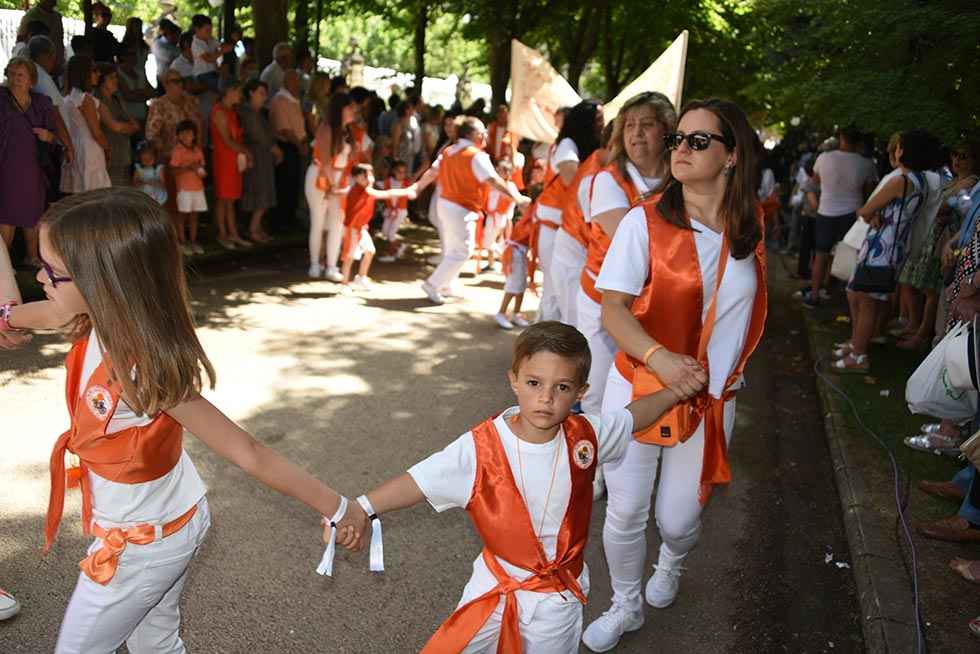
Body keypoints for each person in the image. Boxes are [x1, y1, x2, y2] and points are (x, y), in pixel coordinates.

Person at [0, 188, 364, 653]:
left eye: (52, 270)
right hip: (164, 523)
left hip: (140, 546)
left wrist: (338, 506)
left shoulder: (140, 367)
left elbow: (248, 452)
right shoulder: (97, 313)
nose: (39, 276)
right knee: (156, 644)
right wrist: (7, 317)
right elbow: (51, 312)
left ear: (101, 283)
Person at [348, 321, 702, 653]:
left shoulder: (587, 436)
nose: (546, 398)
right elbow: (419, 481)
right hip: (492, 584)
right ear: (514, 380)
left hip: (556, 598)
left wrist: (675, 391)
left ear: (581, 392)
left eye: (562, 387)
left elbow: (633, 416)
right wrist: (362, 507)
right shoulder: (480, 448)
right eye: (534, 383)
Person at [582, 99, 768, 651]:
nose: (681, 148)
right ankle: (624, 603)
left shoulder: (750, 226)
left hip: (711, 399)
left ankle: (671, 561)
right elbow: (612, 308)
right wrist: (660, 358)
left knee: (680, 520)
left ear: (732, 156)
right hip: (641, 385)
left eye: (698, 141)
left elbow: (744, 312)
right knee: (625, 511)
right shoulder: (644, 221)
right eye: (678, 139)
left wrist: (728, 369)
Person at [575, 92, 675, 414]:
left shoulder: (680, 179)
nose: (636, 133)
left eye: (647, 124)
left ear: (667, 131)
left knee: (642, 391)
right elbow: (635, 245)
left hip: (653, 304)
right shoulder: (609, 179)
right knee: (598, 390)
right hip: (601, 301)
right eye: (629, 125)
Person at [832, 130, 940, 373]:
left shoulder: (899, 181)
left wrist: (871, 214)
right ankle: (857, 346)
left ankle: (859, 355)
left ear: (905, 151)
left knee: (866, 302)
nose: (896, 150)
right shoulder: (921, 182)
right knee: (864, 298)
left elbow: (864, 210)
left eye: (899, 146)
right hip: (894, 248)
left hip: (879, 249)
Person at [413, 117, 531, 305]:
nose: (485, 135)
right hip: (461, 208)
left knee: (452, 249)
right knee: (462, 251)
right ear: (472, 134)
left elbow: (432, 172)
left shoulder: (449, 151)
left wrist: (418, 187)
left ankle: (446, 286)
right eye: (482, 131)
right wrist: (517, 198)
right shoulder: (476, 155)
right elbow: (494, 180)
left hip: (445, 205)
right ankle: (433, 284)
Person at [539, 101, 603, 322]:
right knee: (553, 293)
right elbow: (573, 181)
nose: (601, 123)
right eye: (597, 119)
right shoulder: (567, 145)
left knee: (558, 294)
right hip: (557, 228)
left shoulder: (583, 146)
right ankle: (545, 338)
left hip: (570, 230)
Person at [802, 127, 878, 308]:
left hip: (826, 211)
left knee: (821, 255)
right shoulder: (867, 163)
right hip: (853, 213)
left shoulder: (823, 158)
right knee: (849, 255)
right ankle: (846, 298)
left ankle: (814, 295)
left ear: (841, 137)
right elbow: (869, 193)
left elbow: (814, 183)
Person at [0, 57, 65, 265]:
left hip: (33, 166)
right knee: (6, 213)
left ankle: (32, 256)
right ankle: (4, 264)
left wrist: (48, 136)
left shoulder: (41, 103)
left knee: (33, 211)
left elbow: (54, 136)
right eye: (11, 74)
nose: (15, 79)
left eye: (20, 75)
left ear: (31, 80)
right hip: (6, 164)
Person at [338, 164, 416, 292]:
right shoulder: (362, 190)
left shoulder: (363, 190)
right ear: (356, 178)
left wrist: (407, 191)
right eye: (365, 176)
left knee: (369, 251)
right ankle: (344, 284)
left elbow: (388, 193)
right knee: (349, 257)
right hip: (352, 229)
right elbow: (387, 193)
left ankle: (361, 278)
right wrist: (407, 191)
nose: (369, 179)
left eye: (370, 175)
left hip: (361, 228)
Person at [306, 92, 356, 280]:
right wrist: (333, 185)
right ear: (340, 109)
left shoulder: (348, 131)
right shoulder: (326, 128)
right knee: (318, 222)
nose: (353, 111)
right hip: (320, 177)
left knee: (337, 223)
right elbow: (326, 160)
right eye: (349, 108)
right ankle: (314, 263)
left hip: (338, 180)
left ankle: (331, 266)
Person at [146, 69, 204, 224]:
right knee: (173, 199)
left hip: (192, 159)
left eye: (180, 81)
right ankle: (175, 234)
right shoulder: (159, 105)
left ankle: (190, 233)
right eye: (174, 81)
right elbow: (151, 134)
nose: (179, 84)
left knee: (193, 199)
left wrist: (198, 152)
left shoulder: (192, 101)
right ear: (166, 84)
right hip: (170, 159)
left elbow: (200, 127)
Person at [210, 81, 253, 250]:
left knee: (231, 198)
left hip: (233, 158)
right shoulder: (219, 111)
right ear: (229, 91)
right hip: (224, 158)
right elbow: (227, 140)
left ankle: (233, 233)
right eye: (238, 91)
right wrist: (246, 152)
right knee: (223, 198)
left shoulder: (231, 111)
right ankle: (223, 234)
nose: (240, 95)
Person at [60, 55, 111, 194]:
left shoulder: (66, 99)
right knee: (94, 194)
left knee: (78, 194)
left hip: (74, 148)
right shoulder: (85, 99)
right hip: (90, 150)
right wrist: (107, 148)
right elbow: (96, 133)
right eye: (93, 70)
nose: (98, 74)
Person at [239, 79, 281, 243]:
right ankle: (253, 229)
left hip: (263, 157)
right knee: (259, 193)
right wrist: (275, 149)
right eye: (261, 93)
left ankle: (256, 227)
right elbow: (259, 136)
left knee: (264, 192)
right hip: (256, 157)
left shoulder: (258, 113)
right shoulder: (248, 113)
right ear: (251, 93)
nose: (264, 97)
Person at [270, 69, 308, 234]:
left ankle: (290, 218)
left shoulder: (294, 100)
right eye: (294, 80)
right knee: (284, 184)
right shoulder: (280, 100)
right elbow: (284, 129)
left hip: (296, 145)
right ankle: (281, 221)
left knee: (293, 184)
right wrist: (299, 145)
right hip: (287, 145)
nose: (298, 84)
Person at [94, 62, 140, 187]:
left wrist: (126, 127)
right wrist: (126, 127)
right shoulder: (96, 100)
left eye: (116, 77)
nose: (115, 81)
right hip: (109, 156)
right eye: (111, 78)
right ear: (102, 80)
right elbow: (116, 126)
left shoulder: (117, 99)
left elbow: (133, 123)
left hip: (124, 153)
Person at [495, 207, 536, 330]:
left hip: (520, 252)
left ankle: (516, 313)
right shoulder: (533, 216)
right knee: (513, 286)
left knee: (521, 285)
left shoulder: (532, 215)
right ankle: (501, 313)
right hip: (516, 253)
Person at [170, 120, 207, 255]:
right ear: (178, 135)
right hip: (184, 189)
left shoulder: (197, 150)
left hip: (198, 188)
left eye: (189, 133)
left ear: (194, 135)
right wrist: (188, 167)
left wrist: (200, 171)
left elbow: (203, 170)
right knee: (182, 215)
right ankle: (182, 241)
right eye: (182, 133)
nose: (186, 136)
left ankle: (193, 241)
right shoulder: (177, 151)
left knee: (194, 215)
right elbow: (173, 170)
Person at [480, 158, 519, 274]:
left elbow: (514, 201)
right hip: (491, 216)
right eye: (499, 171)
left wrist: (505, 217)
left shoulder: (510, 186)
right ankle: (491, 264)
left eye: (503, 171)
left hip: (502, 218)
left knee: (493, 242)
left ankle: (507, 263)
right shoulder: (493, 184)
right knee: (489, 240)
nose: (500, 173)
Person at [17, 0, 64, 74]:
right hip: (36, 66)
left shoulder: (57, 17)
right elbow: (21, 38)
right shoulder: (32, 15)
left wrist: (59, 62)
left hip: (55, 65)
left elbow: (59, 42)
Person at [377, 160, 411, 262]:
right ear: (393, 171)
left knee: (391, 234)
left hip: (400, 211)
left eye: (403, 172)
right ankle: (400, 246)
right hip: (389, 210)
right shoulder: (387, 182)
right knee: (385, 231)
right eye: (399, 172)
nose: (401, 174)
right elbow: (375, 184)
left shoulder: (407, 184)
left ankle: (391, 254)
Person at [116, 45, 155, 130]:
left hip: (143, 117)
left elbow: (153, 92)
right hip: (127, 119)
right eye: (130, 54)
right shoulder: (117, 74)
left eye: (135, 54)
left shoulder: (140, 72)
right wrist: (144, 93)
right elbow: (128, 96)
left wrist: (135, 92)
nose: (134, 57)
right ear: (122, 56)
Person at [190, 14, 230, 93]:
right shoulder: (196, 44)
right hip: (202, 75)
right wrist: (222, 51)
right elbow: (209, 59)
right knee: (222, 86)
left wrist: (230, 43)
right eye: (207, 30)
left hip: (214, 72)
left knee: (231, 80)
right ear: (197, 29)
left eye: (210, 30)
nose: (209, 33)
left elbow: (223, 46)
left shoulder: (211, 39)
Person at [132, 140, 167, 205]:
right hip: (143, 193)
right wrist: (140, 183)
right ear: (140, 158)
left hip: (156, 194)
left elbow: (163, 184)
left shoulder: (159, 169)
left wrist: (156, 183)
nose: (147, 161)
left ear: (155, 158)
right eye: (144, 159)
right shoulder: (138, 169)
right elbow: (134, 182)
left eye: (150, 159)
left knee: (155, 207)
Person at [151, 19, 181, 86]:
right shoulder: (158, 44)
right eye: (176, 37)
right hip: (163, 77)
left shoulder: (175, 45)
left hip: (175, 77)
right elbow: (169, 57)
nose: (177, 39)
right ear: (169, 35)